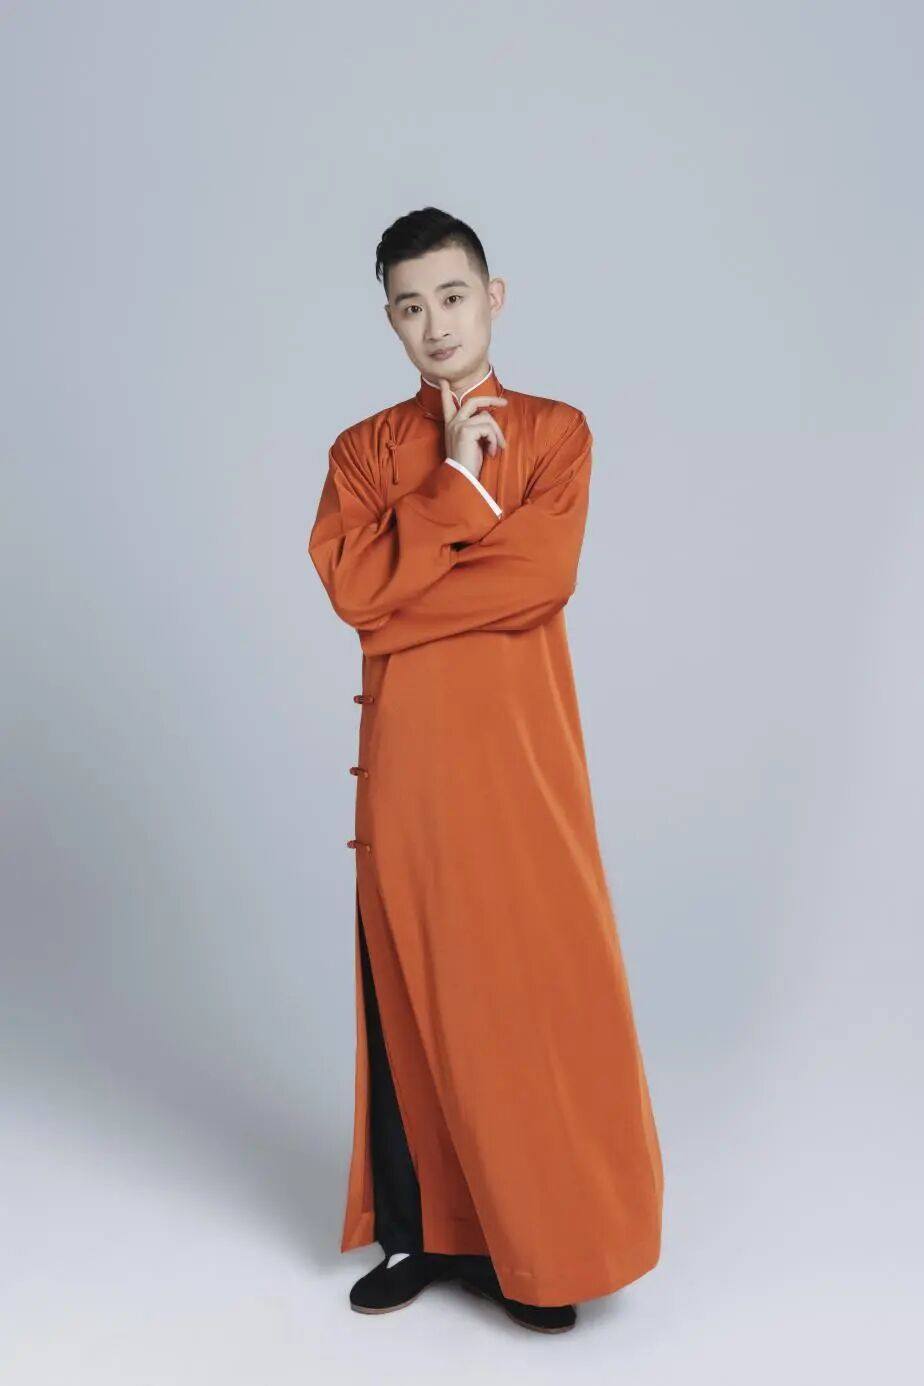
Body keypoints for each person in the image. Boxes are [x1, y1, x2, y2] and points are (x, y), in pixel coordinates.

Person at [307, 207, 664, 1334]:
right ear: (390, 320)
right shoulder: (364, 453)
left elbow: (536, 579)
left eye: (453, 297)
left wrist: (396, 591)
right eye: (410, 307)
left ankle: (541, 1249)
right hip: (408, 774)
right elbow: (348, 587)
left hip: (522, 769)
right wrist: (454, 491)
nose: (436, 325)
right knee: (412, 1002)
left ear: (493, 297)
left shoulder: (556, 433)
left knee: (529, 1002)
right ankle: (423, 1237)